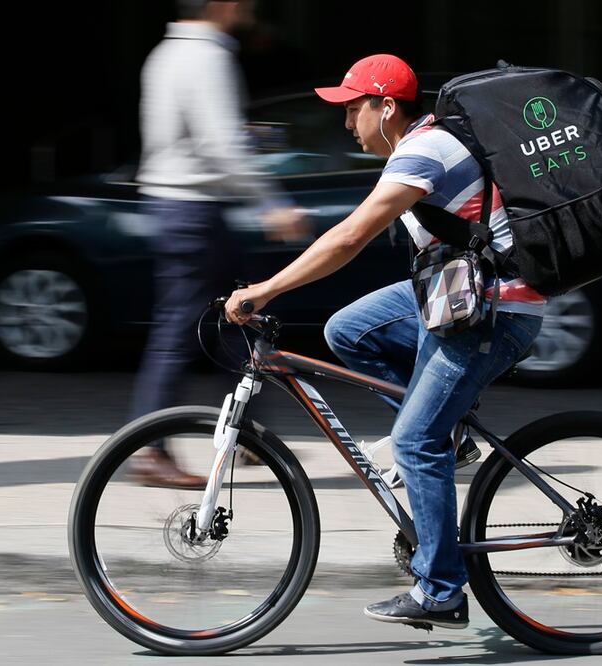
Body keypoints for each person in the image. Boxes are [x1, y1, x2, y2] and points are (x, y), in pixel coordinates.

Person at [226, 54, 545, 630]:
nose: (347, 123)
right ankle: (446, 435)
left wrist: (266, 290)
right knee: (347, 330)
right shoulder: (419, 143)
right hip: (455, 295)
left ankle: (441, 590)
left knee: (416, 441)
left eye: (353, 109)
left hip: (495, 310)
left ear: (386, 107)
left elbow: (349, 238)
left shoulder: (425, 150)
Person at [128, 0, 305, 489]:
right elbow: (220, 144)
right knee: (182, 329)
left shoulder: (164, 53)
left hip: (179, 206)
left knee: (231, 323)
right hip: (194, 209)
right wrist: (272, 200)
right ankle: (150, 449)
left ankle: (243, 436)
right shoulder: (207, 57)